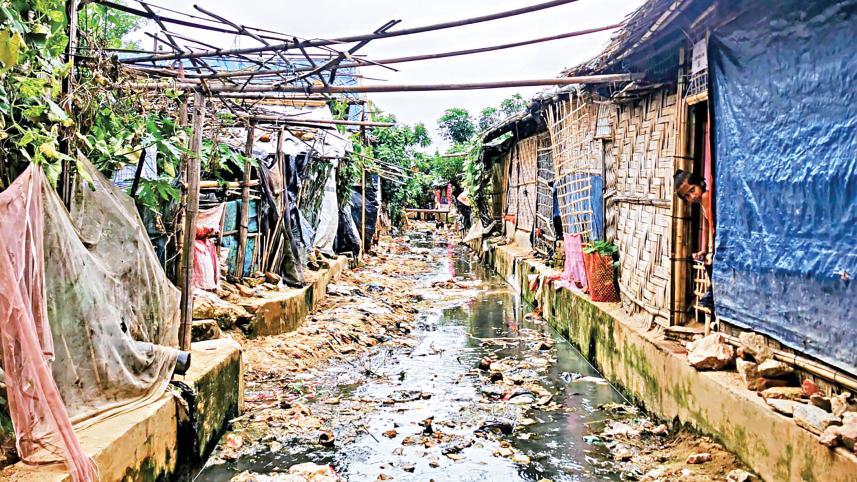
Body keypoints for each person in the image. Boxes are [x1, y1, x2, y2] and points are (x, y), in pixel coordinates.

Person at [674, 169, 715, 311]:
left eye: (692, 190)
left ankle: (711, 293)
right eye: (687, 195)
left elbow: (712, 225)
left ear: (699, 183)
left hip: (719, 240)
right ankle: (711, 292)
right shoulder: (701, 202)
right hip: (715, 241)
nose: (692, 196)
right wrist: (704, 249)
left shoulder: (705, 196)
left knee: (710, 263)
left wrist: (711, 251)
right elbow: (706, 227)